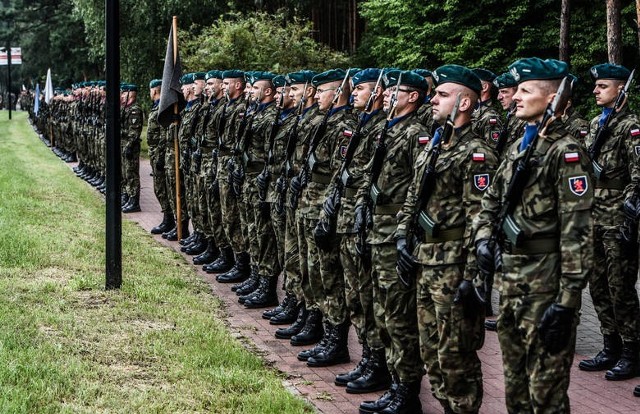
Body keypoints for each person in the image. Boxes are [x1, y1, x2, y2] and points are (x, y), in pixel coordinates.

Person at [473, 57, 593, 413]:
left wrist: (567, 302)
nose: (515, 97)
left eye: (525, 90)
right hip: (511, 282)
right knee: (516, 386)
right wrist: (482, 239)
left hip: (546, 287)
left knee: (546, 393)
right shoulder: (520, 145)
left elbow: (578, 233)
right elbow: (489, 202)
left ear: (553, 98)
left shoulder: (566, 153)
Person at [397, 64, 497, 413]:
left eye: (442, 94)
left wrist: (474, 277)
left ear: (465, 103)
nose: (433, 99)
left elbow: (481, 221)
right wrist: (401, 239)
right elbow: (413, 196)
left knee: (456, 356)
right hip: (426, 259)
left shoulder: (476, 154)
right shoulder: (437, 142)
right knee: (432, 352)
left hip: (454, 266)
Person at [355, 70, 429, 414]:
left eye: (395, 91)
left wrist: (405, 233)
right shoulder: (388, 127)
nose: (386, 95)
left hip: (393, 231)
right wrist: (360, 212)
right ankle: (391, 379)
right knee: (381, 311)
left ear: (412, 97)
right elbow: (369, 176)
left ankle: (407, 391)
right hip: (376, 228)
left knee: (399, 317)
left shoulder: (416, 134)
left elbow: (419, 190)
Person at [579, 63, 640, 381]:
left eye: (602, 86)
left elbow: (638, 173)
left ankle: (632, 352)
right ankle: (610, 345)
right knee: (598, 285)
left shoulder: (631, 125)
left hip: (618, 218)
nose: (595, 91)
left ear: (620, 90)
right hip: (594, 215)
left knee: (620, 288)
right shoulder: (595, 123)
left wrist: (630, 206)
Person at [147, 79, 175, 234]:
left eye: (150, 90)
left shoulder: (162, 109)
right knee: (159, 188)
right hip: (154, 152)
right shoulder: (156, 108)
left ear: (155, 90)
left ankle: (169, 220)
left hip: (160, 153)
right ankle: (167, 218)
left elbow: (164, 135)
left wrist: (160, 156)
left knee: (164, 188)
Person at [120, 83, 143, 213]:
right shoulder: (126, 108)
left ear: (131, 94)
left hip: (131, 147)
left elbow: (134, 132)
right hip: (124, 145)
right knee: (125, 173)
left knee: (132, 174)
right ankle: (127, 196)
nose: (122, 95)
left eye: (124, 93)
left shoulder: (135, 109)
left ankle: (134, 201)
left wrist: (129, 146)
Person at [471, 68, 503, 152]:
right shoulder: (474, 109)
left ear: (484, 87)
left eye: (473, 82)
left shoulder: (491, 116)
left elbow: (492, 149)